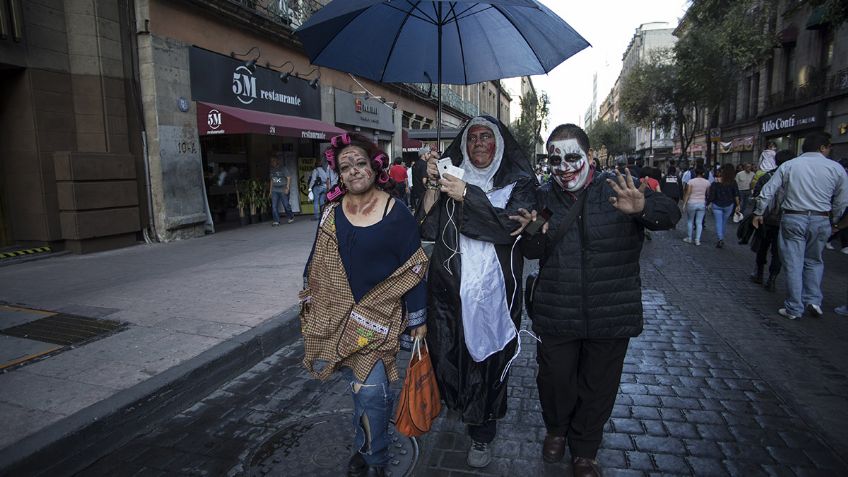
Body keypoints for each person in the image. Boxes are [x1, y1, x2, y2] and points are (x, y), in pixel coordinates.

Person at [510, 124, 680, 477]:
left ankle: (585, 449)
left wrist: (642, 207)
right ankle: (557, 430)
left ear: (590, 157)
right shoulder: (543, 198)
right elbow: (532, 249)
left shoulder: (619, 187)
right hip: (557, 310)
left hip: (610, 311)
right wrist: (532, 233)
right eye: (555, 160)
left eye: (572, 157)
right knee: (555, 380)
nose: (564, 167)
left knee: (598, 385)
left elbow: (669, 215)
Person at [300, 133, 428, 477]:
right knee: (358, 389)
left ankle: (376, 459)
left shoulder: (396, 212)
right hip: (339, 320)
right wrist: (312, 293)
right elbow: (316, 260)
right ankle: (365, 444)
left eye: (359, 163)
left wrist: (419, 318)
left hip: (379, 320)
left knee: (372, 393)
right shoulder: (330, 213)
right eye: (345, 166)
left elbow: (414, 268)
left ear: (374, 166)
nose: (354, 171)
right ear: (338, 175)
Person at [417, 116, 536, 468]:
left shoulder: (521, 183)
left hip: (494, 294)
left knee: (489, 362)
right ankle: (459, 406)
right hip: (450, 292)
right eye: (472, 138)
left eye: (486, 137)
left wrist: (468, 193)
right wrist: (432, 184)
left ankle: (482, 434)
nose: (479, 143)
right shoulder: (451, 174)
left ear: (499, 143)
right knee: (451, 353)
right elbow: (427, 227)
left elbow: (507, 227)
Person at [753, 131, 848, 320]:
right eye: (829, 147)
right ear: (822, 147)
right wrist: (834, 220)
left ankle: (794, 307)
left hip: (794, 217)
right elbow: (842, 200)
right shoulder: (836, 168)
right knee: (814, 260)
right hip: (821, 219)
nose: (830, 150)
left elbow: (768, 190)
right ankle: (813, 300)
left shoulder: (790, 165)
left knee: (794, 262)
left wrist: (758, 212)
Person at [749, 150, 794, 291]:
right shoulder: (796, 177)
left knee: (762, 246)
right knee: (777, 251)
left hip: (765, 219)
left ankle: (759, 273)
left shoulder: (766, 176)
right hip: (786, 219)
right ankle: (772, 278)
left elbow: (757, 196)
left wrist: (758, 213)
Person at [707, 163, 740, 248]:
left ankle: (720, 238)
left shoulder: (716, 182)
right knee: (724, 222)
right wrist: (738, 205)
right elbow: (736, 194)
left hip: (717, 204)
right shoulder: (733, 182)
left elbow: (711, 195)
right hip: (729, 204)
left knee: (718, 222)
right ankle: (721, 237)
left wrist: (708, 203)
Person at [681, 167, 710, 245]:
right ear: (703, 173)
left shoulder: (691, 182)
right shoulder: (707, 182)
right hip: (702, 203)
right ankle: (697, 240)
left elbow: (688, 193)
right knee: (699, 222)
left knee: (690, 221)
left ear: (695, 173)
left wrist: (684, 204)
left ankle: (689, 238)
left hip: (692, 202)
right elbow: (708, 194)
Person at [269, 153, 294, 225]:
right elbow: (271, 180)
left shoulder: (283, 168)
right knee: (274, 206)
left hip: (283, 188)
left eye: (273, 160)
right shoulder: (271, 170)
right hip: (274, 190)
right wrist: (270, 191)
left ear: (277, 161)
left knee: (286, 205)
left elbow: (288, 178)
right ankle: (276, 221)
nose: (272, 162)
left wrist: (287, 188)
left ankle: (290, 216)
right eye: (271, 161)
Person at [410, 148, 431, 212]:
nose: (429, 155)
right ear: (423, 155)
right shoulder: (424, 164)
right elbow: (424, 180)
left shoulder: (414, 165)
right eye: (428, 153)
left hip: (416, 191)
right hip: (423, 193)